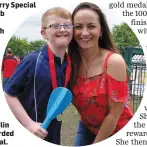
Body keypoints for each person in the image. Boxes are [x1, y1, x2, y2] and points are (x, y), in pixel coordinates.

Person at [4, 7, 73, 144]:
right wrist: (29, 124)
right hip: (30, 132)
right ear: (44, 33)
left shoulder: (69, 63)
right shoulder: (32, 61)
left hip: (53, 131)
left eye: (67, 25)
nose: (62, 29)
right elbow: (9, 94)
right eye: (55, 26)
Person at [68, 2, 133, 146]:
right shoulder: (69, 62)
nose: (84, 33)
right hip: (86, 126)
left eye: (91, 26)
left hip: (117, 129)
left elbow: (114, 114)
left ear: (101, 30)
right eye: (78, 27)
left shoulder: (114, 62)